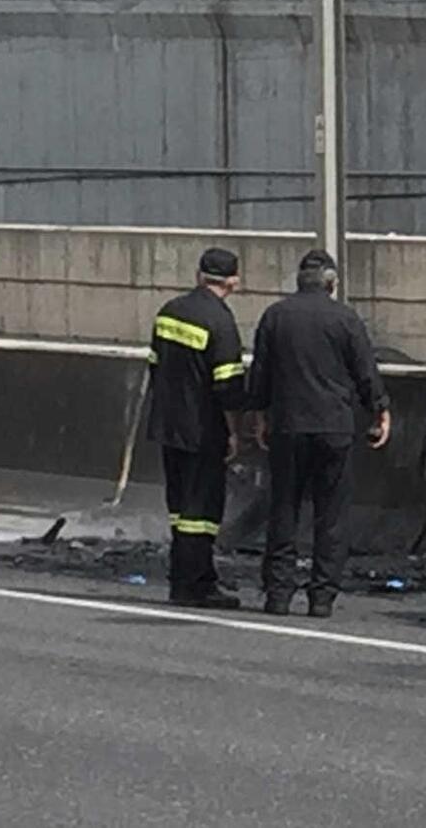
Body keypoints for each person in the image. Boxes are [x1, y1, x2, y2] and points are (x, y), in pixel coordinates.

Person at [247, 250, 391, 618]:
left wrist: (260, 414)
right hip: (334, 426)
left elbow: (261, 373)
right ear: (332, 284)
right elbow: (365, 370)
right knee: (331, 515)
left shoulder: (275, 316)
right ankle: (322, 597)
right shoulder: (345, 318)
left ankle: (278, 594)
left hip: (288, 425)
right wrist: (379, 410)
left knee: (284, 509)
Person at [145, 247, 249, 609]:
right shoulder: (220, 322)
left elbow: (155, 365)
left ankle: (181, 579)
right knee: (201, 513)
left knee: (178, 508)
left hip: (168, 425)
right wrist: (234, 431)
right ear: (233, 281)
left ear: (199, 275)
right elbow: (228, 387)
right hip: (203, 430)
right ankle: (196, 584)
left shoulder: (169, 311)